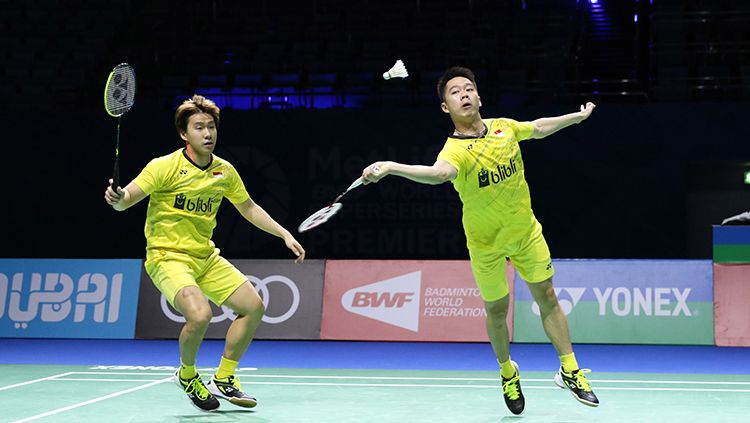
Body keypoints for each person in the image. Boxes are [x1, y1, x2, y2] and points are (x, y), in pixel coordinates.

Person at [361, 67, 599, 415]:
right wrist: (392, 166)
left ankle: (570, 370)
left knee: (547, 295)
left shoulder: (504, 127)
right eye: (455, 92)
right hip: (485, 244)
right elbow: (439, 174)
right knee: (496, 310)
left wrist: (575, 119)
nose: (464, 94)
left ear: (479, 97)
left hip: (525, 234)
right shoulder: (453, 151)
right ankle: (507, 372)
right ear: (446, 108)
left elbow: (539, 127)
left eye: (469, 88)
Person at [104, 94, 305, 412]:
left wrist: (283, 233)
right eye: (199, 127)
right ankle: (187, 375)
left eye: (211, 126)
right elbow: (128, 197)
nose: (208, 133)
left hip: (205, 257)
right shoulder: (164, 167)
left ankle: (224, 377)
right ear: (184, 134)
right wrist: (118, 197)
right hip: (167, 256)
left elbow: (248, 207)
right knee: (200, 315)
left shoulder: (224, 172)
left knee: (253, 307)